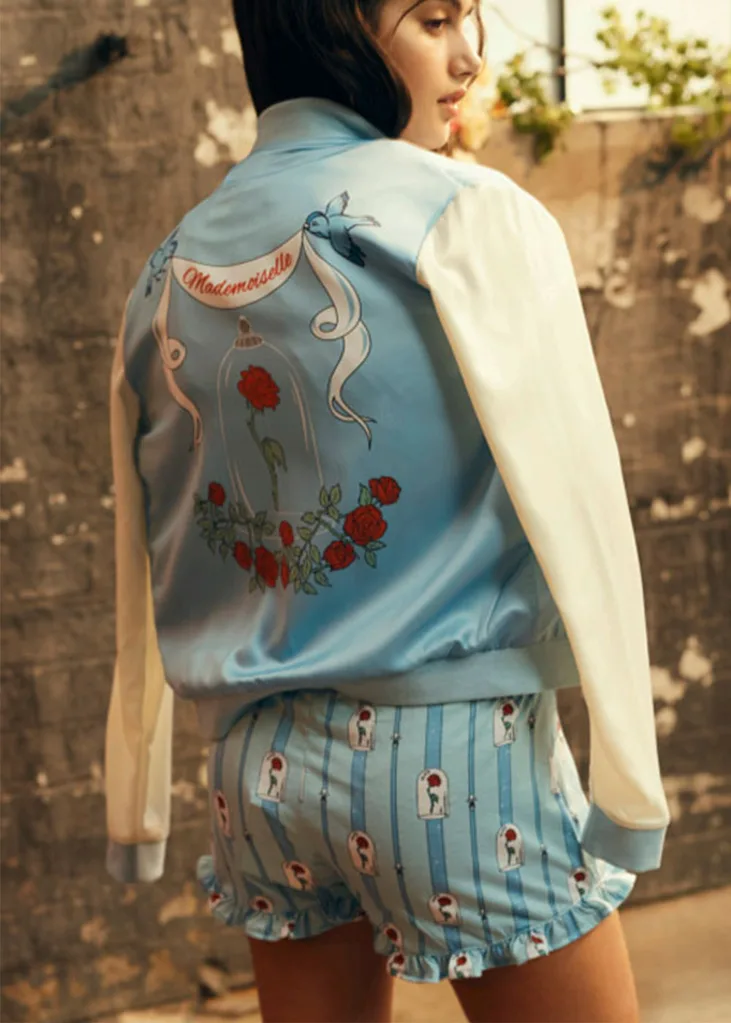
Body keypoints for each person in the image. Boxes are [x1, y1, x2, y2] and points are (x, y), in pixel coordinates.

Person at [104, 2, 671, 1020]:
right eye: (433, 18)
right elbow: (580, 499)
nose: (470, 55)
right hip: (456, 758)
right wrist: (631, 790)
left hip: (256, 770)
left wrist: (133, 805)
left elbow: (145, 546)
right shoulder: (465, 216)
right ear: (330, 24)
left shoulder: (163, 270)